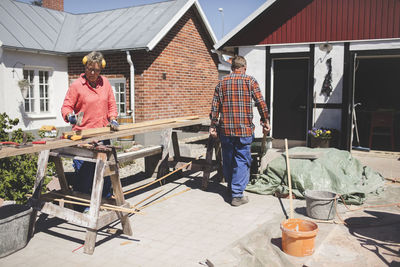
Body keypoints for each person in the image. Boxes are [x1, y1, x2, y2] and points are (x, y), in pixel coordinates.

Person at [209, 55, 270, 207]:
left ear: (232, 68)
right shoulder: (250, 81)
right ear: (244, 68)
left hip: (226, 130)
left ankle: (231, 187)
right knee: (242, 160)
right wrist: (265, 120)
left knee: (228, 159)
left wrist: (213, 125)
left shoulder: (222, 82)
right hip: (244, 130)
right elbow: (261, 103)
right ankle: (237, 195)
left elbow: (215, 107)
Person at [61, 51, 119, 204]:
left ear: (101, 69)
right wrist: (69, 116)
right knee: (85, 172)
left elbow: (111, 104)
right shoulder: (76, 86)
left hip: (102, 134)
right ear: (85, 66)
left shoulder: (105, 83)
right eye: (90, 69)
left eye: (97, 70)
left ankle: (105, 200)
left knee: (105, 170)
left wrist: (113, 119)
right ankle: (83, 204)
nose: (93, 73)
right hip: (83, 135)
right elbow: (66, 107)